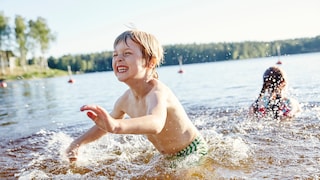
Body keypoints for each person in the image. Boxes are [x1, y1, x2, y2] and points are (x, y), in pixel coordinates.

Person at [66, 30, 208, 163]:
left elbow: (156, 123)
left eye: (127, 53)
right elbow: (105, 126)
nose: (119, 59)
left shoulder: (157, 92)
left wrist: (117, 126)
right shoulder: (124, 100)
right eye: (115, 55)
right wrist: (77, 143)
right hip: (167, 157)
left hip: (192, 151)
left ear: (150, 62)